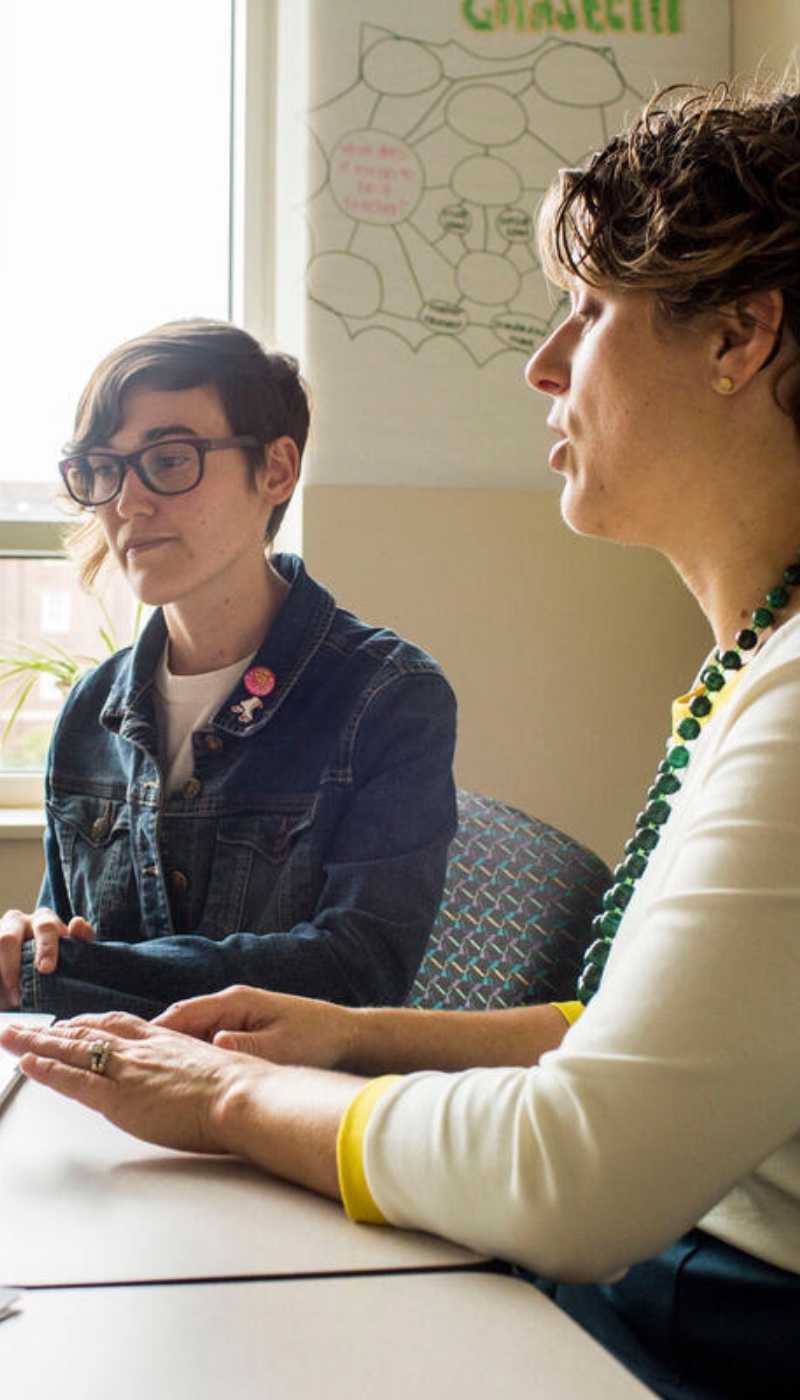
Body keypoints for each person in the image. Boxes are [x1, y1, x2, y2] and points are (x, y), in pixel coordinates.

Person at [4, 82, 800, 1398]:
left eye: (589, 311)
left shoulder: (769, 694)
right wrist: (345, 1039)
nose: (543, 365)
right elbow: (627, 1040)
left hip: (696, 1316)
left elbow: (579, 1171)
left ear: (740, 337)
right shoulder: (749, 671)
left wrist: (226, 1096)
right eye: (109, 467)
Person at [0, 320, 457, 1018]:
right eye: (104, 467)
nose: (127, 503)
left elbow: (358, 971)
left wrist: (70, 975)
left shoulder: (388, 700)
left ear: (275, 470)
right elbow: (61, 945)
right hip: (102, 1099)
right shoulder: (93, 711)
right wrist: (34, 946)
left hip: (275, 1114)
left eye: (170, 459)